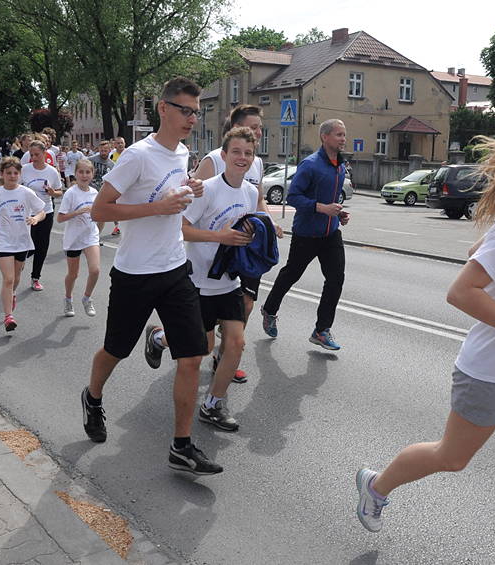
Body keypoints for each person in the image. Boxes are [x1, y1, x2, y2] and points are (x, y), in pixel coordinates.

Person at [354, 119, 495, 565]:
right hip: (490, 370)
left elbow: (488, 253)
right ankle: (376, 484)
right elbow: (460, 292)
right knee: (451, 457)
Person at [81, 76, 221, 475]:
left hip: (175, 268)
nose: (192, 118)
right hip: (135, 273)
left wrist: (189, 187)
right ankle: (93, 397)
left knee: (193, 355)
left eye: (196, 111)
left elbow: (172, 197)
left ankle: (181, 445)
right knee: (115, 351)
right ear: (163, 109)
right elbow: (100, 211)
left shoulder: (182, 154)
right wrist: (156, 208)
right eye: (185, 110)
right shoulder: (137, 156)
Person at [146, 127, 259, 432]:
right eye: (236, 152)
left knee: (236, 343)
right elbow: (180, 229)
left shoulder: (251, 192)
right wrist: (219, 236)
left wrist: (256, 237)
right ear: (223, 156)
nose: (242, 158)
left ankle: (213, 404)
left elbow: (246, 228)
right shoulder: (206, 189)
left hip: (229, 281)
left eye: (248, 153)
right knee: (204, 346)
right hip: (198, 282)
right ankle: (159, 337)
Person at [194, 104, 284, 383]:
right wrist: (218, 235)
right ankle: (165, 337)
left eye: (259, 129)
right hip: (205, 265)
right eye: (253, 127)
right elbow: (194, 203)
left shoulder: (254, 164)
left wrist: (268, 224)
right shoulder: (212, 161)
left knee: (244, 309)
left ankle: (225, 359)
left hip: (241, 255)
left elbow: (256, 201)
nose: (258, 132)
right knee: (201, 343)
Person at [260, 118, 349, 350]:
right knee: (292, 274)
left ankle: (321, 330)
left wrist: (339, 214)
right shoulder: (310, 165)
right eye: (338, 135)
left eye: (344, 135)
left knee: (336, 279)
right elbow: (293, 197)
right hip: (307, 233)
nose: (343, 139)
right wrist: (322, 208)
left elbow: (332, 199)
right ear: (325, 137)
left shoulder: (340, 165)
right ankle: (269, 309)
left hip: (330, 233)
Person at [0, 157, 46, 332]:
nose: (12, 176)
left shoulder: (26, 193)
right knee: (9, 278)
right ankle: (8, 316)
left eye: (15, 173)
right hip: (3, 240)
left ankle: (11, 294)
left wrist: (35, 218)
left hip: (22, 240)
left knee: (17, 277)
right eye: (8, 173)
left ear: (19, 175)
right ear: (2, 174)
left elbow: (41, 211)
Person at [57, 159, 101, 317]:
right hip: (73, 238)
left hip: (90, 236)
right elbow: (60, 218)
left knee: (95, 270)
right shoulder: (71, 193)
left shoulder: (95, 193)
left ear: (92, 174)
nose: (84, 175)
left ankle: (87, 298)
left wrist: (98, 225)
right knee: (73, 274)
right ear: (75, 174)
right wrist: (78, 212)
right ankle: (68, 299)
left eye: (87, 172)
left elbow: (98, 215)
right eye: (81, 172)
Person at [21, 140, 63, 291]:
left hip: (46, 212)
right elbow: (15, 186)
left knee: (42, 246)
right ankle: (20, 260)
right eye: (31, 155)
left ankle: (35, 277)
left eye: (37, 154)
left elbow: (59, 192)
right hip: (27, 212)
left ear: (45, 153)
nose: (34, 157)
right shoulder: (24, 169)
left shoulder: (52, 171)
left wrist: (53, 192)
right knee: (28, 243)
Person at [87, 140, 117, 235]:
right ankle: (87, 236)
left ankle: (96, 237)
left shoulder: (112, 165)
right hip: (90, 191)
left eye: (105, 150)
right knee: (88, 216)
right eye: (101, 150)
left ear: (110, 150)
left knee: (102, 216)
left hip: (102, 193)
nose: (103, 153)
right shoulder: (91, 160)